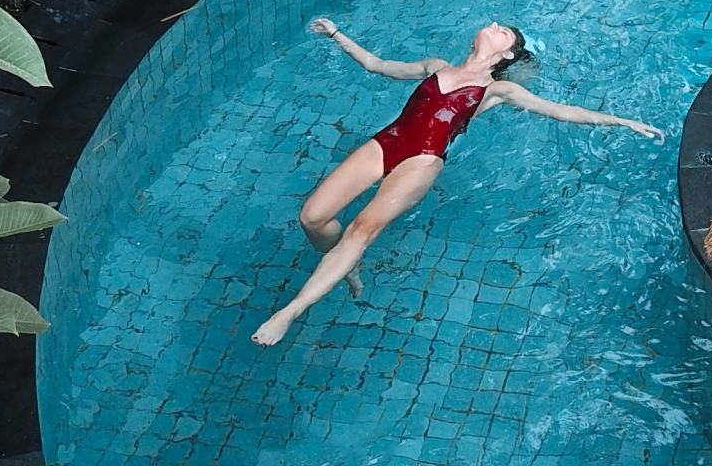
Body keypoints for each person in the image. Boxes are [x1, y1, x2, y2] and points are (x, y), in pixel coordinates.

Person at [251, 17, 664, 345]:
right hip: (388, 141)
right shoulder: (436, 67)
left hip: (423, 160)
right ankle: (347, 266)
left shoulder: (498, 89)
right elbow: (377, 65)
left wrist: (621, 120)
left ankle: (290, 311)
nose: (494, 25)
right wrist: (337, 34)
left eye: (503, 30)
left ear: (507, 53)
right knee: (313, 218)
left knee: (360, 229)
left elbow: (561, 110)